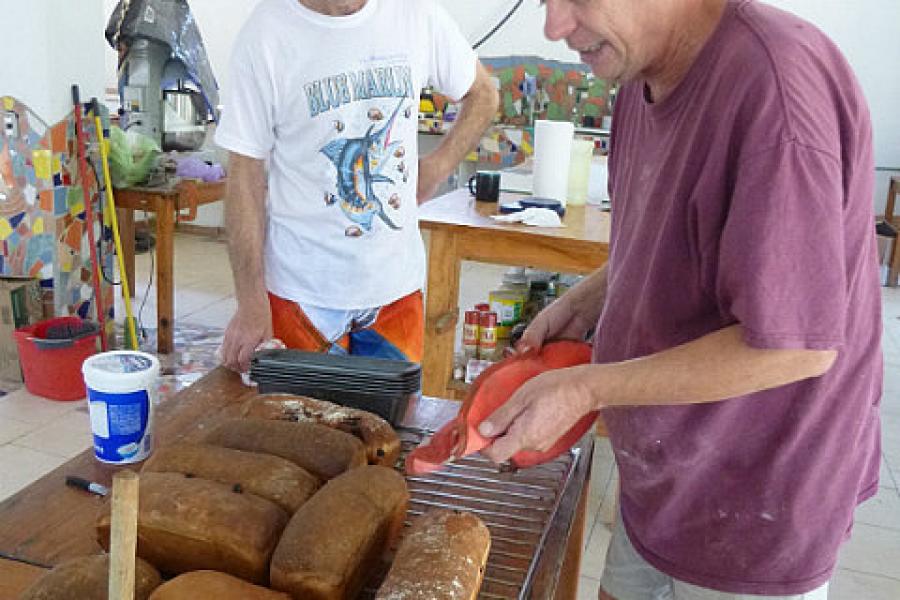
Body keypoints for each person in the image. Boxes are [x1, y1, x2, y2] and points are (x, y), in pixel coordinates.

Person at [479, 1, 881, 599]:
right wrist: (593, 295)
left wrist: (588, 387)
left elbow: (794, 348)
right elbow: (677, 229)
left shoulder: (774, 88)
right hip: (666, 483)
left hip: (756, 505)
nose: (554, 27)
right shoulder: (641, 72)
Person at [216, 0, 498, 371]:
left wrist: (437, 166)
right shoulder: (267, 33)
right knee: (299, 424)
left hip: (396, 293)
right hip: (299, 295)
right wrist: (251, 304)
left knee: (390, 424)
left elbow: (484, 94)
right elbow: (244, 175)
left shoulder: (416, 14)